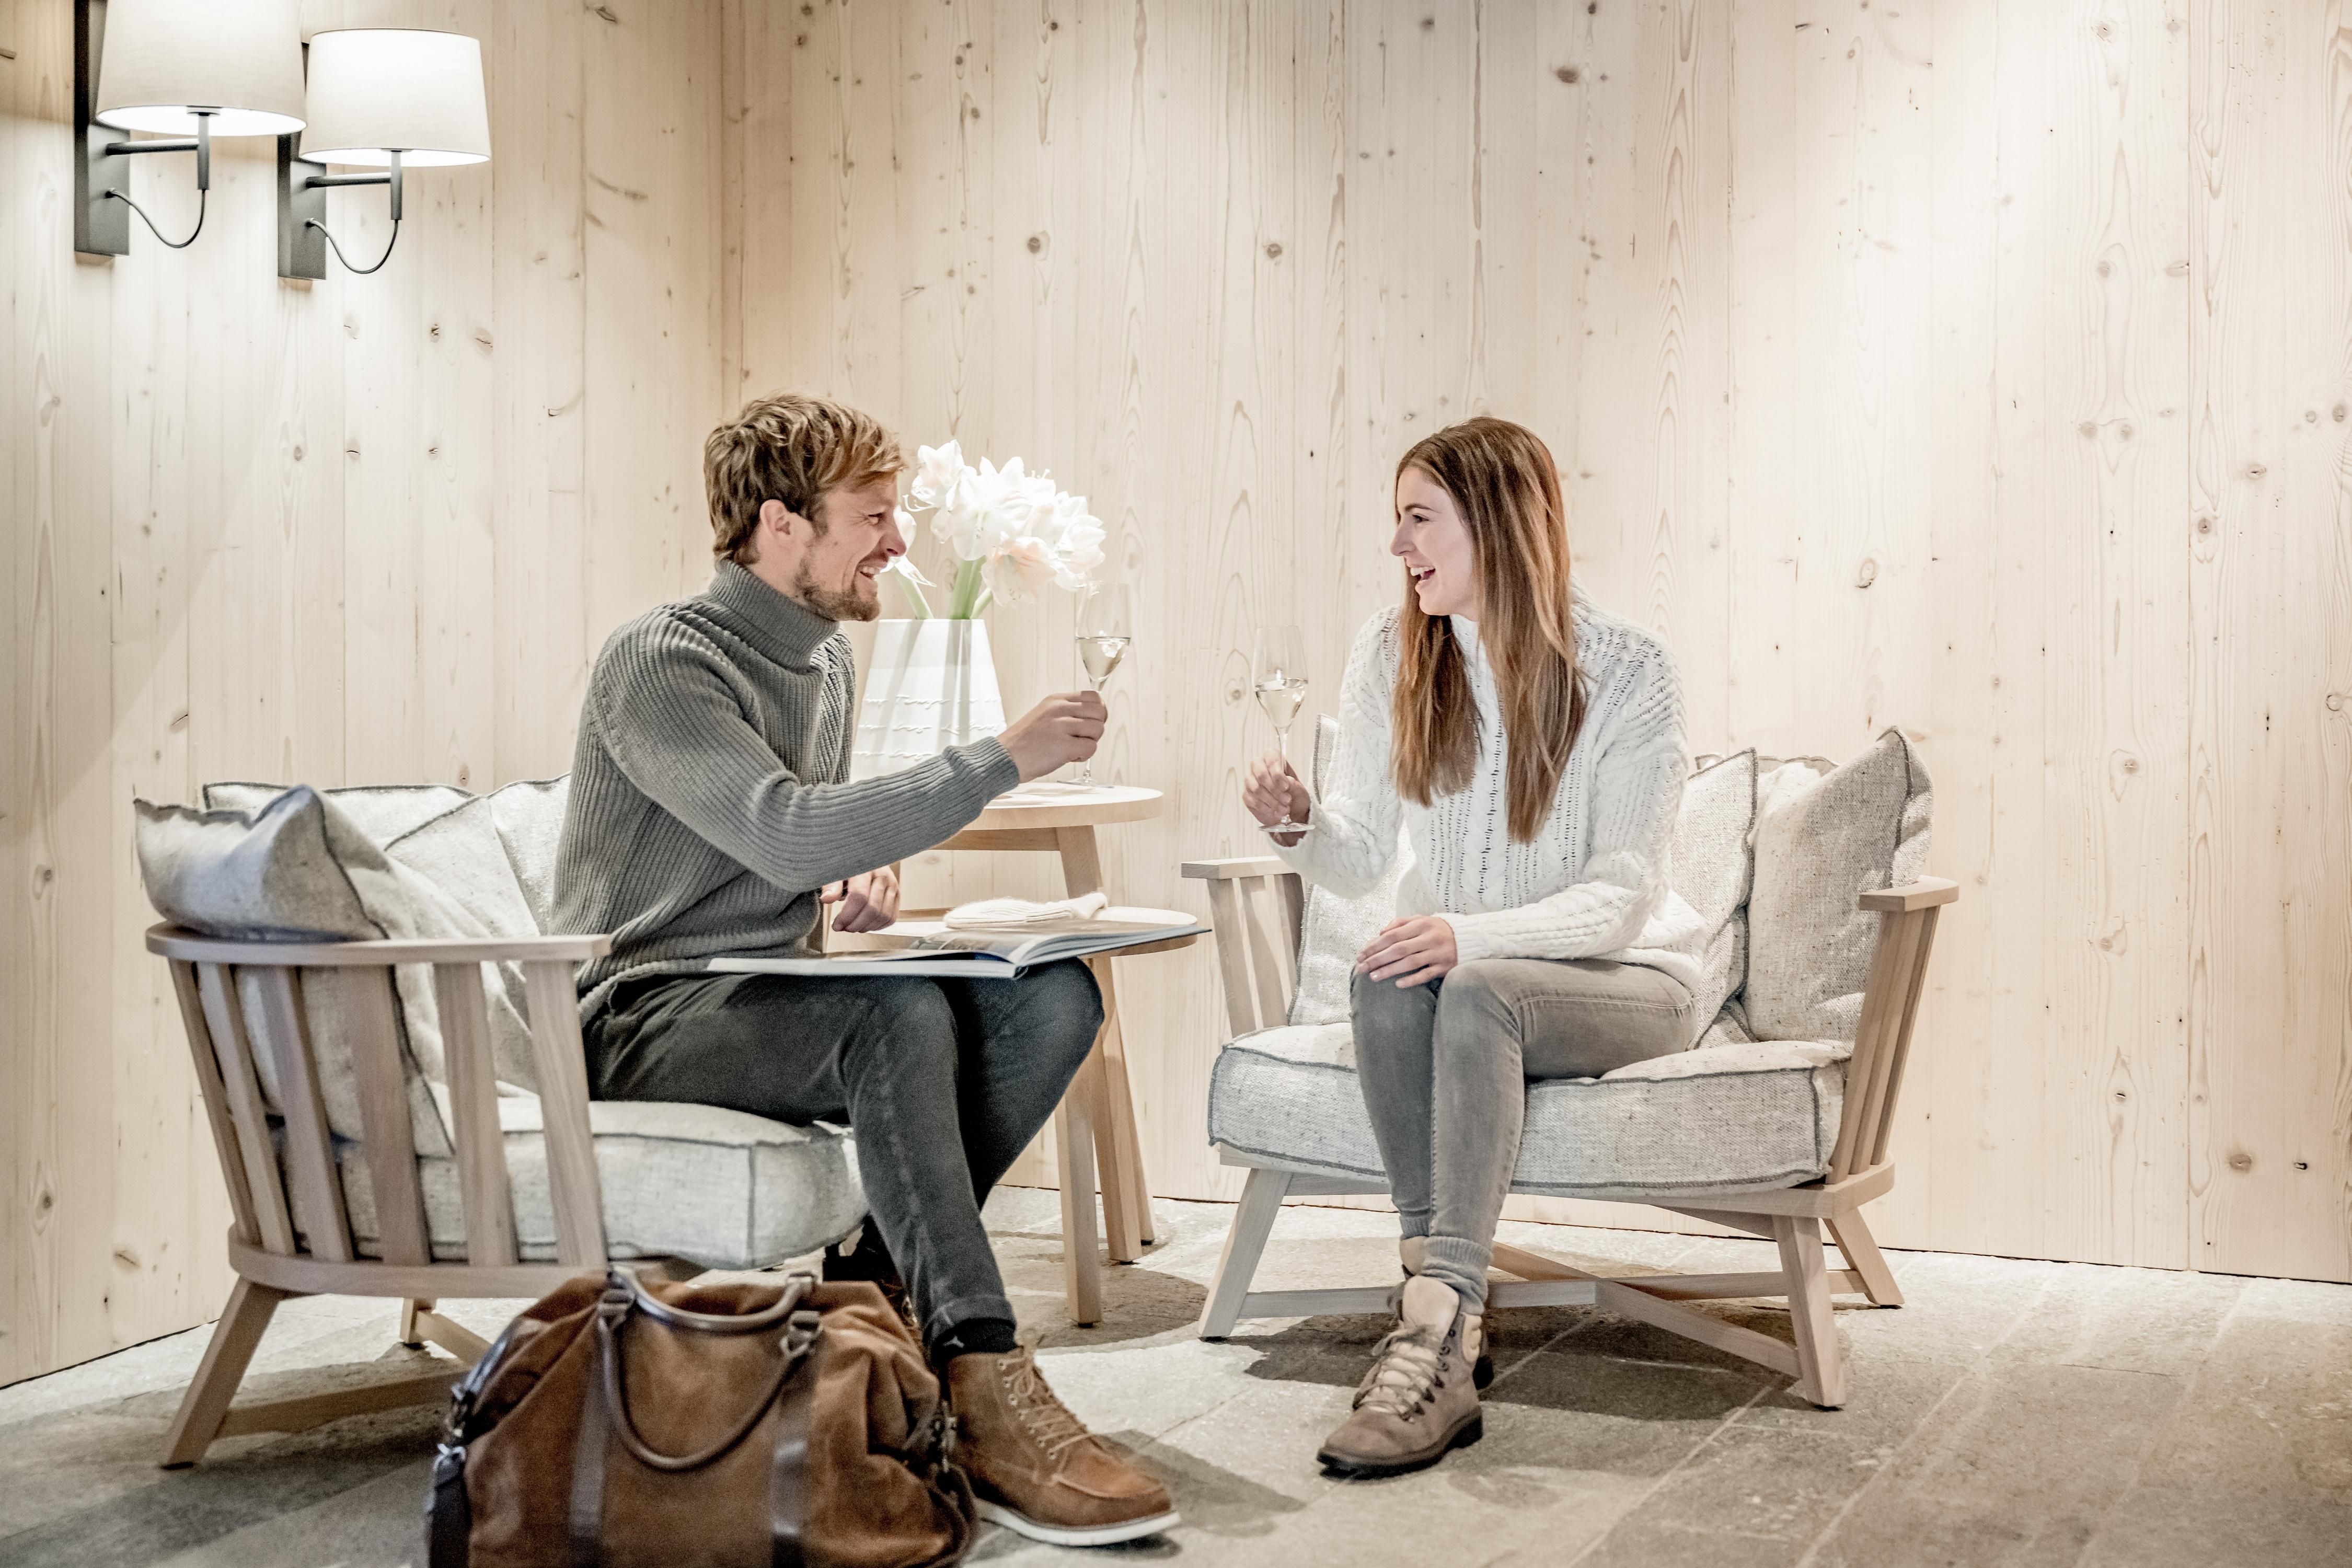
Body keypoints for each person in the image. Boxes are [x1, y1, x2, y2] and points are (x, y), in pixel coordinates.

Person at [555, 391, 1178, 1547]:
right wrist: (998, 760)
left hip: (765, 990)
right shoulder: (661, 660)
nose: (899, 542)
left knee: (1052, 998)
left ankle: (876, 1291)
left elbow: (786, 849)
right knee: (893, 1013)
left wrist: (847, 883)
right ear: (780, 524)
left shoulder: (827, 664)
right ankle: (980, 1371)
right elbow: (784, 826)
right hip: (638, 1015)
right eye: (874, 518)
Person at [1241, 416, 1705, 1479]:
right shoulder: (1392, 651)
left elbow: (1623, 900)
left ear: (1495, 525)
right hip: (1475, 984)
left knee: (1472, 983)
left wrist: (1468, 935)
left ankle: (1436, 1327)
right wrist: (1299, 824)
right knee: (1391, 974)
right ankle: (1440, 1316)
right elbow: (1359, 856)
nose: (1398, 548)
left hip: (1629, 985)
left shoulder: (1630, 672)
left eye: (1418, 520)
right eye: (1397, 522)